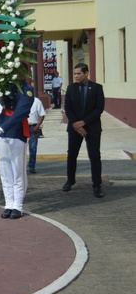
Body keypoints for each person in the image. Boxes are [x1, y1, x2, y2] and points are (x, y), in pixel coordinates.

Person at [0, 79, 34, 219]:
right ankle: (9, 203)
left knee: (17, 170)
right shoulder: (4, 84)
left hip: (16, 130)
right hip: (3, 128)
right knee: (5, 169)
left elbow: (20, 112)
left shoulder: (27, 89)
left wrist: (1, 128)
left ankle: (18, 205)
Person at [62, 62, 105, 197]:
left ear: (86, 73)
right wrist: (75, 123)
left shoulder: (97, 88)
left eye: (79, 73)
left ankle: (97, 185)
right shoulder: (71, 88)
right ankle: (70, 181)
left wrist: (84, 122)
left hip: (92, 127)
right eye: (75, 73)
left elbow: (99, 108)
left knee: (94, 156)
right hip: (74, 127)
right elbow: (67, 107)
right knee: (72, 155)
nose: (76, 76)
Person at [27, 96, 46, 174]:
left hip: (33, 126)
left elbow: (42, 115)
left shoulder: (37, 101)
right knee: (20, 148)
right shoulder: (20, 99)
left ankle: (31, 166)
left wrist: (37, 126)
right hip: (22, 126)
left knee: (33, 147)